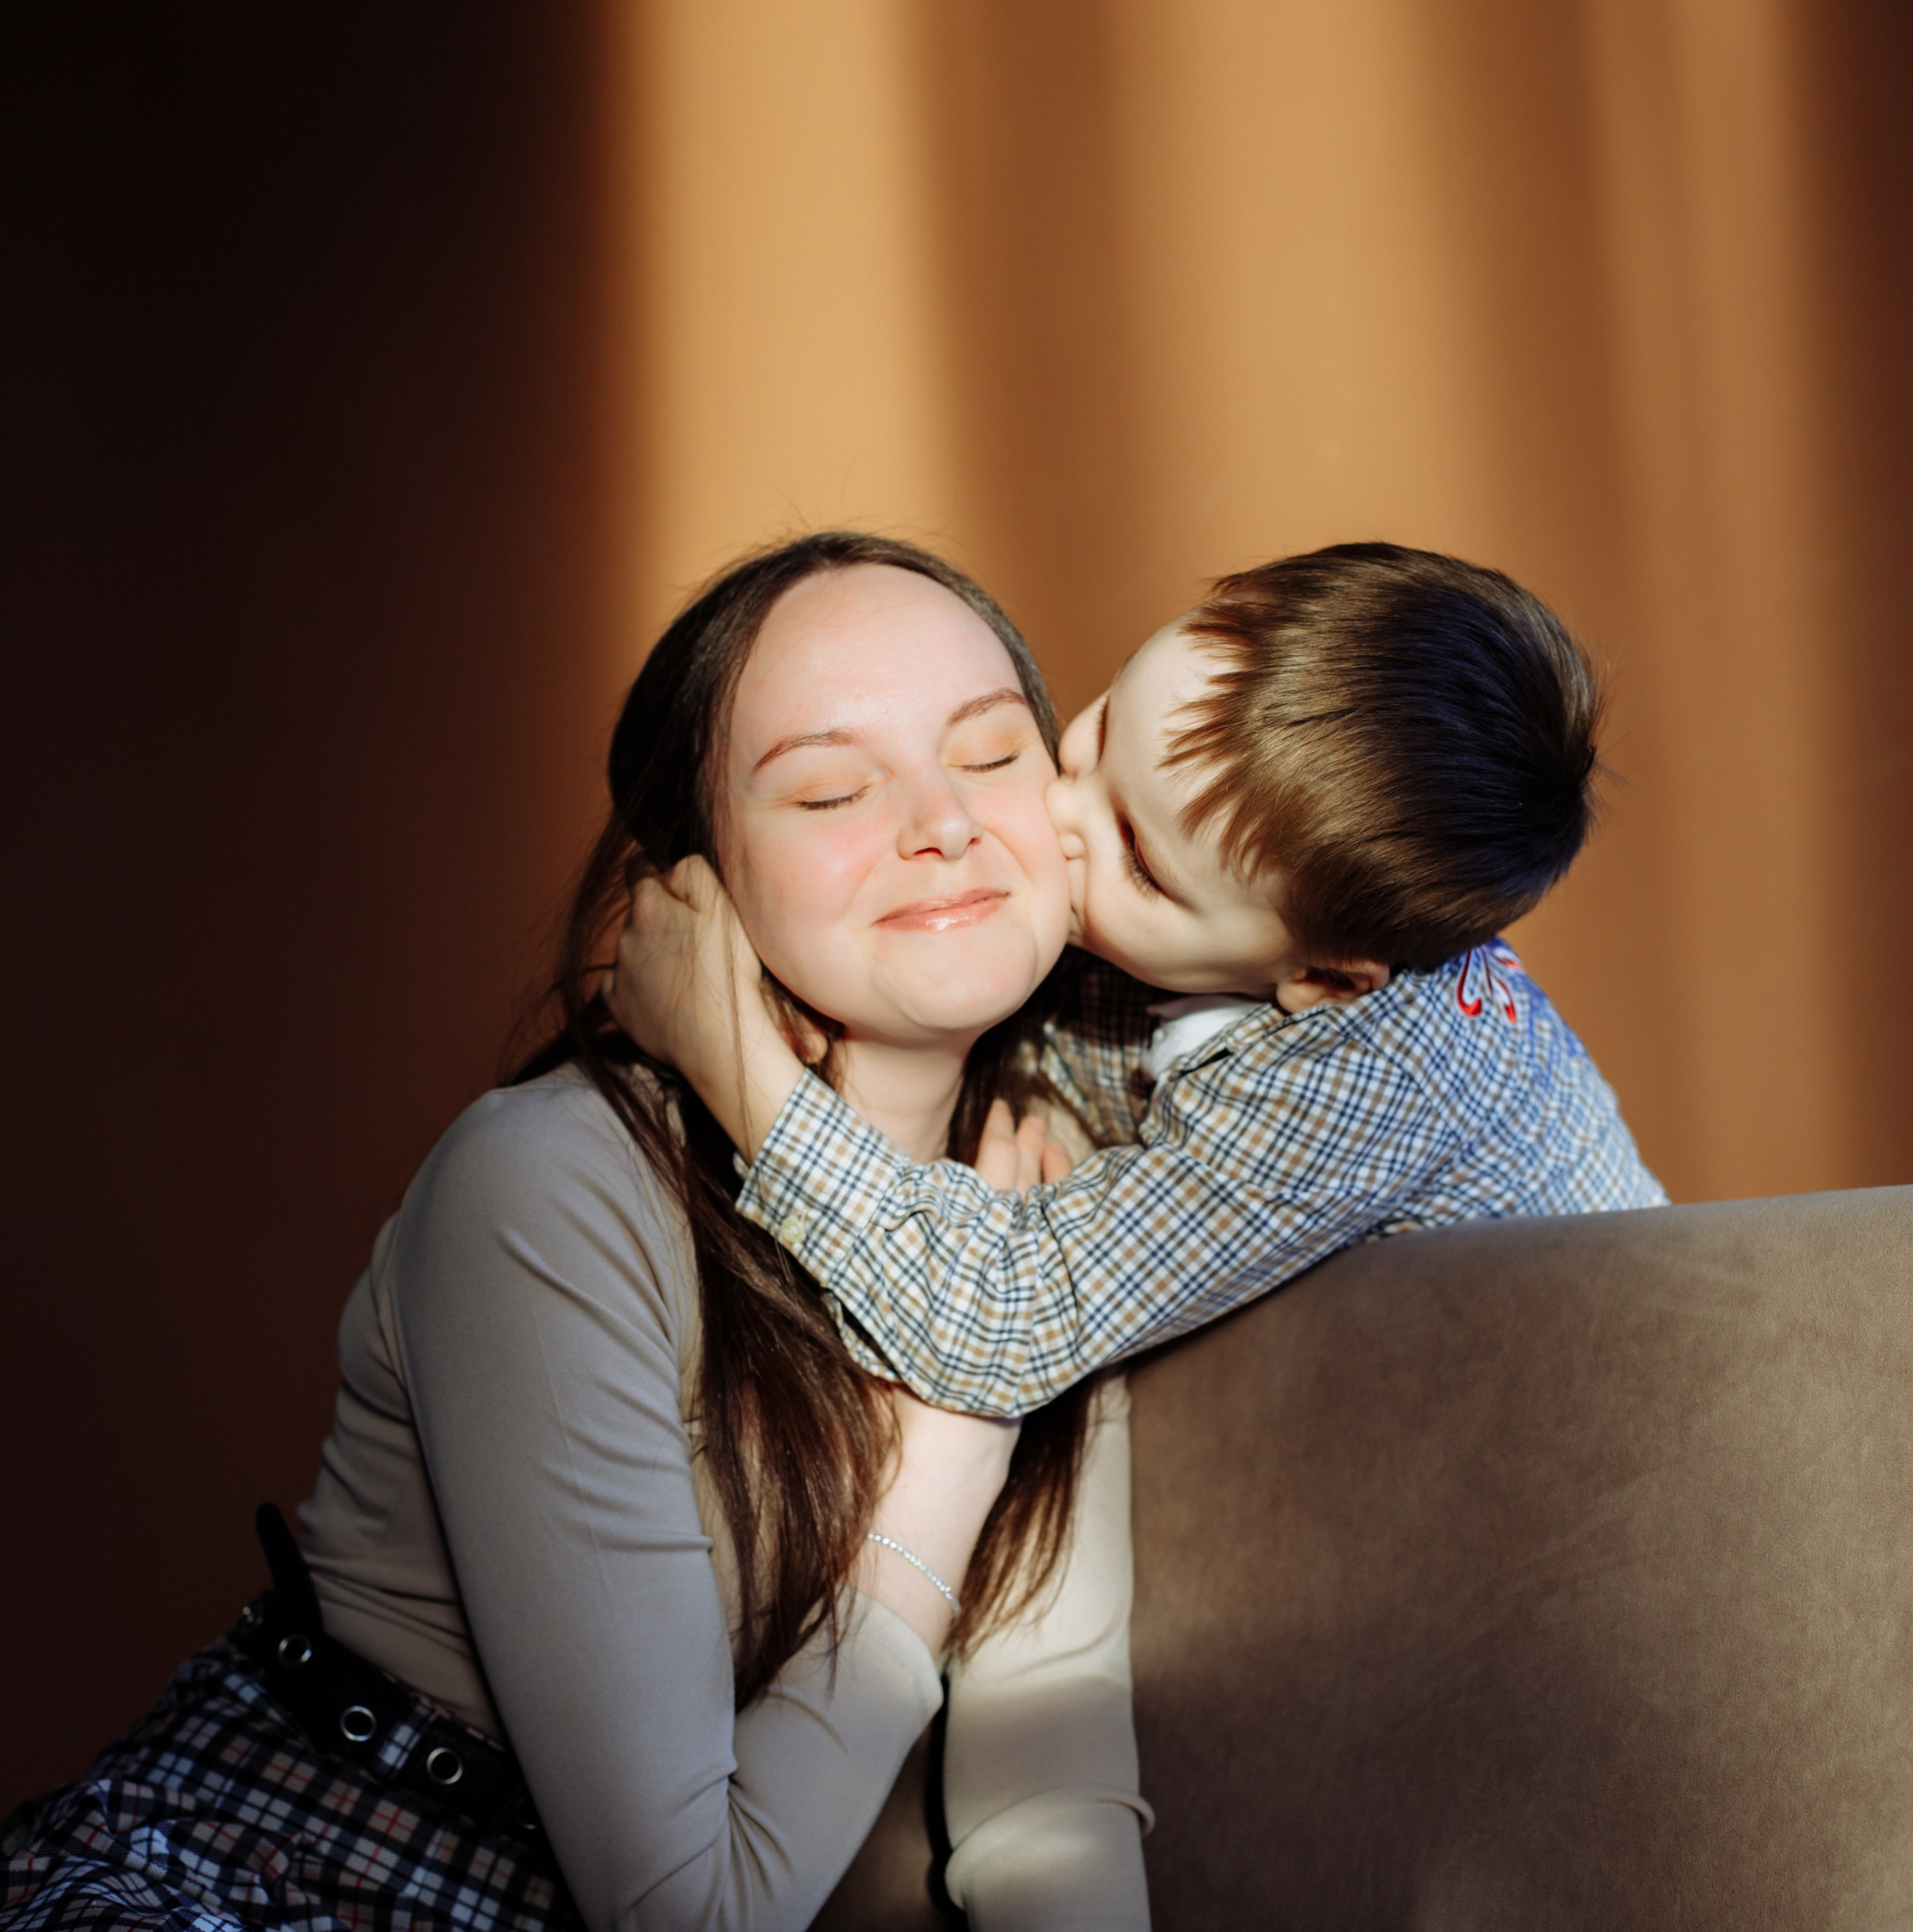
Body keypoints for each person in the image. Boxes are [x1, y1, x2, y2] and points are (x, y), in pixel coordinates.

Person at [0, 531, 1290, 1932]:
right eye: (832, 791)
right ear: (692, 888)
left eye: (989, 752)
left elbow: (1044, 1782)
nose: (942, 829)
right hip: (279, 1879)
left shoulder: (1053, 1222)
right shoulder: (552, 1183)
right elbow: (687, 1911)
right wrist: (949, 1441)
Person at [613, 541, 1668, 1419]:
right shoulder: (1223, 927)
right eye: (1103, 731)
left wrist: (735, 1057)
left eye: (1136, 859)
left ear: (1327, 979)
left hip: (1600, 1444)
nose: (1056, 822)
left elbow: (998, 1326)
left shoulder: (1365, 1079)